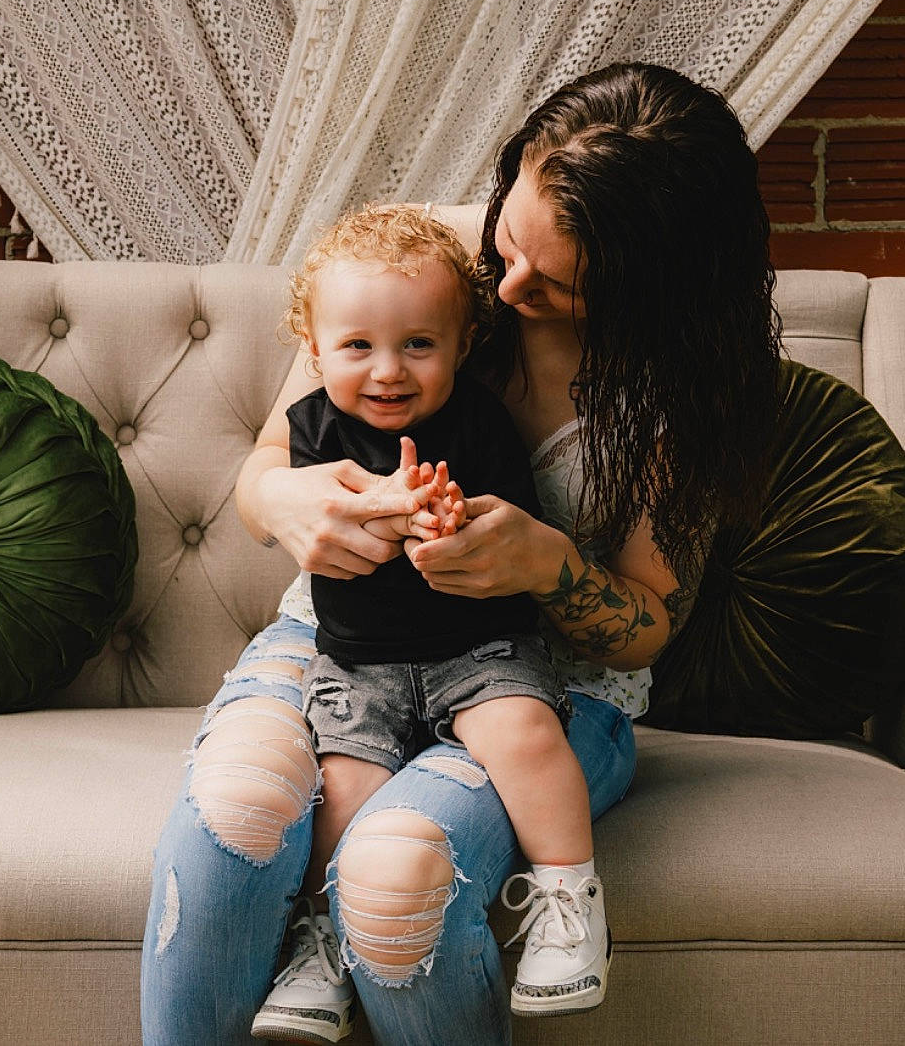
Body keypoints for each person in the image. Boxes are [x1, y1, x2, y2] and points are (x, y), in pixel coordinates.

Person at [140, 61, 782, 1046]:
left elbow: (643, 625)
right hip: (340, 637)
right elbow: (269, 461)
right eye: (510, 238)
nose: (508, 286)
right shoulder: (418, 265)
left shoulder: (679, 394)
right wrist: (289, 500)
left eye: (558, 282)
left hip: (534, 683)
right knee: (238, 808)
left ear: (653, 286)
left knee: (393, 874)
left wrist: (548, 567)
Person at [249, 204, 609, 1042]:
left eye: (419, 344)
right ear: (312, 346)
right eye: (357, 346)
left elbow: (505, 517)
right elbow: (304, 511)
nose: (388, 371)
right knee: (339, 794)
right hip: (360, 663)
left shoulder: (478, 420)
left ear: (462, 343)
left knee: (526, 734)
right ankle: (325, 945)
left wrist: (448, 512)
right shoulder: (310, 432)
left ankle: (569, 899)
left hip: (477, 647)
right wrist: (367, 506)